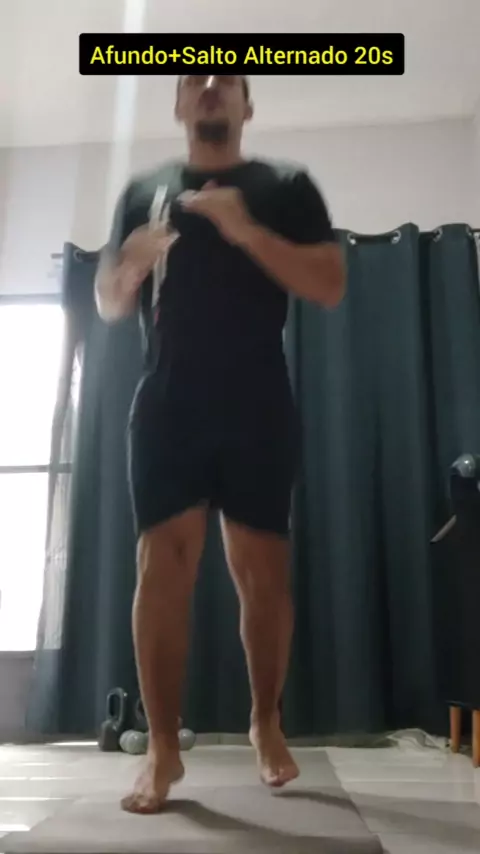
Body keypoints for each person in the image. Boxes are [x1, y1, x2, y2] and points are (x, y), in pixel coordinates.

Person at [95, 74, 345, 814]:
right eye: (194, 80)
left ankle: (265, 720)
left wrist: (245, 231)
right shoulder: (143, 190)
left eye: (226, 79)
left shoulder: (286, 186)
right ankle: (162, 748)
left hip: (257, 400)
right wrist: (131, 267)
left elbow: (330, 283)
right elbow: (109, 301)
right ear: (178, 105)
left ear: (246, 104)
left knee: (261, 572)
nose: (209, 87)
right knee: (161, 568)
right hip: (168, 401)